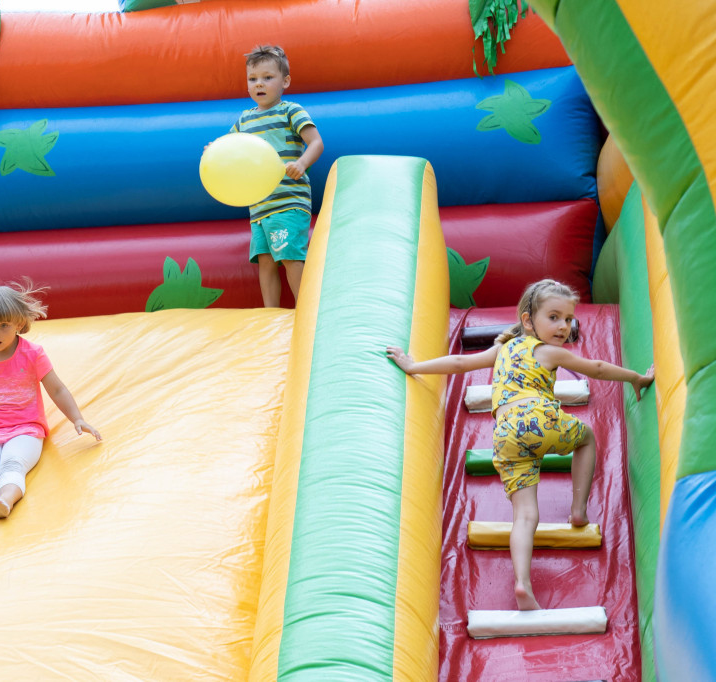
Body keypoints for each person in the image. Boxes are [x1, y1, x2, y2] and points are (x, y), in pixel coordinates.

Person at [386, 279, 654, 610]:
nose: (563, 326)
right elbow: (596, 368)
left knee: (524, 515)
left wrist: (413, 366)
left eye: (568, 319)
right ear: (528, 320)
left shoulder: (502, 350)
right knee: (586, 438)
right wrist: (635, 377)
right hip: (540, 420)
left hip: (505, 436)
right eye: (553, 317)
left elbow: (458, 364)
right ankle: (578, 510)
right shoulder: (548, 352)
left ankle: (522, 583)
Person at [0, 282, 102, 523]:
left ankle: (5, 500)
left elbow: (57, 389)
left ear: (19, 324)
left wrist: (78, 419)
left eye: (3, 325)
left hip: (26, 428)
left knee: (13, 463)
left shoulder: (32, 354)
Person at [230, 44, 323, 308]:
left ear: (285, 81)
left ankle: (306, 310)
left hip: (288, 200)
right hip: (259, 204)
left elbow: (316, 142)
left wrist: (302, 163)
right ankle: (270, 314)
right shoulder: (244, 120)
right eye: (253, 79)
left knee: (290, 256)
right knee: (266, 259)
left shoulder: (290, 110)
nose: (259, 84)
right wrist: (214, 150)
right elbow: (231, 149)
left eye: (267, 78)